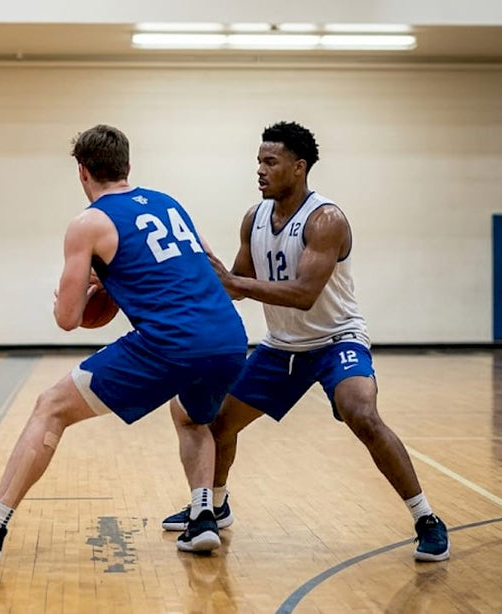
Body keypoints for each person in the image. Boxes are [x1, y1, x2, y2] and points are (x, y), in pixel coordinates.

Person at [0, 124, 248, 564]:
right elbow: (210, 267)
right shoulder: (169, 204)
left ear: (82, 172)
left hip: (172, 340)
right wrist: (121, 280)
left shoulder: (88, 223)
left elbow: (68, 319)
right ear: (128, 166)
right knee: (192, 418)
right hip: (230, 338)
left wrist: (93, 286)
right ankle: (203, 516)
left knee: (50, 407)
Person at [162, 120, 450, 562]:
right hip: (281, 347)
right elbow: (237, 285)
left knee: (363, 415)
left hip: (337, 340)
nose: (259, 169)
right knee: (218, 424)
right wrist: (187, 276)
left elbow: (303, 293)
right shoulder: (254, 218)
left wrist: (233, 280)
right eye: (258, 161)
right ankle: (216, 506)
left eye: (270, 162)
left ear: (298, 168)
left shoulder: (326, 219)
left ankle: (426, 518)